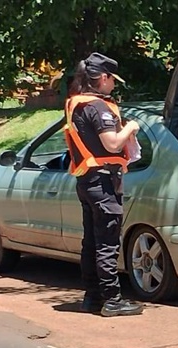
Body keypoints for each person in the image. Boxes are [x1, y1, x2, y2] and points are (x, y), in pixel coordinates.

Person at [65, 52, 143, 317]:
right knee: (107, 243)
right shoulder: (98, 107)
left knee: (92, 242)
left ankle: (92, 297)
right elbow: (111, 143)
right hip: (103, 180)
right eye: (112, 80)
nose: (114, 85)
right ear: (104, 78)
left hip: (87, 180)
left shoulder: (76, 103)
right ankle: (112, 300)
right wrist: (130, 127)